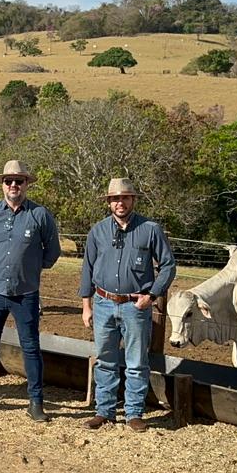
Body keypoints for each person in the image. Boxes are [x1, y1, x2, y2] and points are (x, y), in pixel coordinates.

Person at [0, 160, 60, 422]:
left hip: (25, 293)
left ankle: (35, 402)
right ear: (2, 185)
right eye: (9, 181)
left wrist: (30, 267)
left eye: (19, 181)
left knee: (31, 347)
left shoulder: (40, 215)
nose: (14, 185)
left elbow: (52, 252)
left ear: (27, 184)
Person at [79, 177, 177, 432]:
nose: (119, 203)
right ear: (108, 203)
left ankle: (134, 413)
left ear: (133, 200)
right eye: (115, 199)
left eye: (124, 198)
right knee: (105, 360)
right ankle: (104, 411)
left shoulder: (150, 229)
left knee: (136, 362)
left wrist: (151, 296)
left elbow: (168, 265)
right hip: (103, 302)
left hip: (135, 305)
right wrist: (86, 305)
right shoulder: (98, 231)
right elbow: (87, 268)